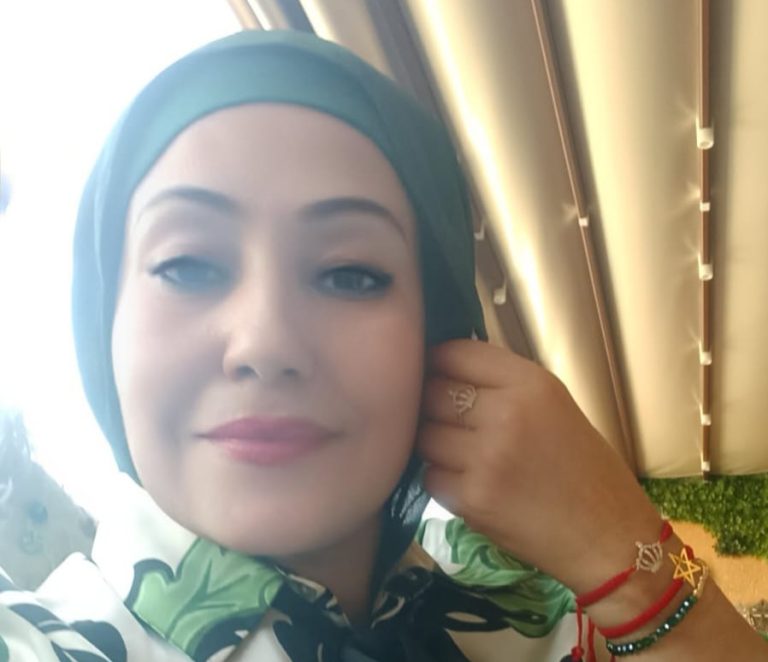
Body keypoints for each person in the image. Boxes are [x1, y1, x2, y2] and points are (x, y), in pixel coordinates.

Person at [0, 30, 765, 662]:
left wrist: (624, 550)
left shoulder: (556, 613)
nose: (264, 342)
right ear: (104, 325)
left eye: (351, 274)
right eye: (187, 265)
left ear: (438, 333)